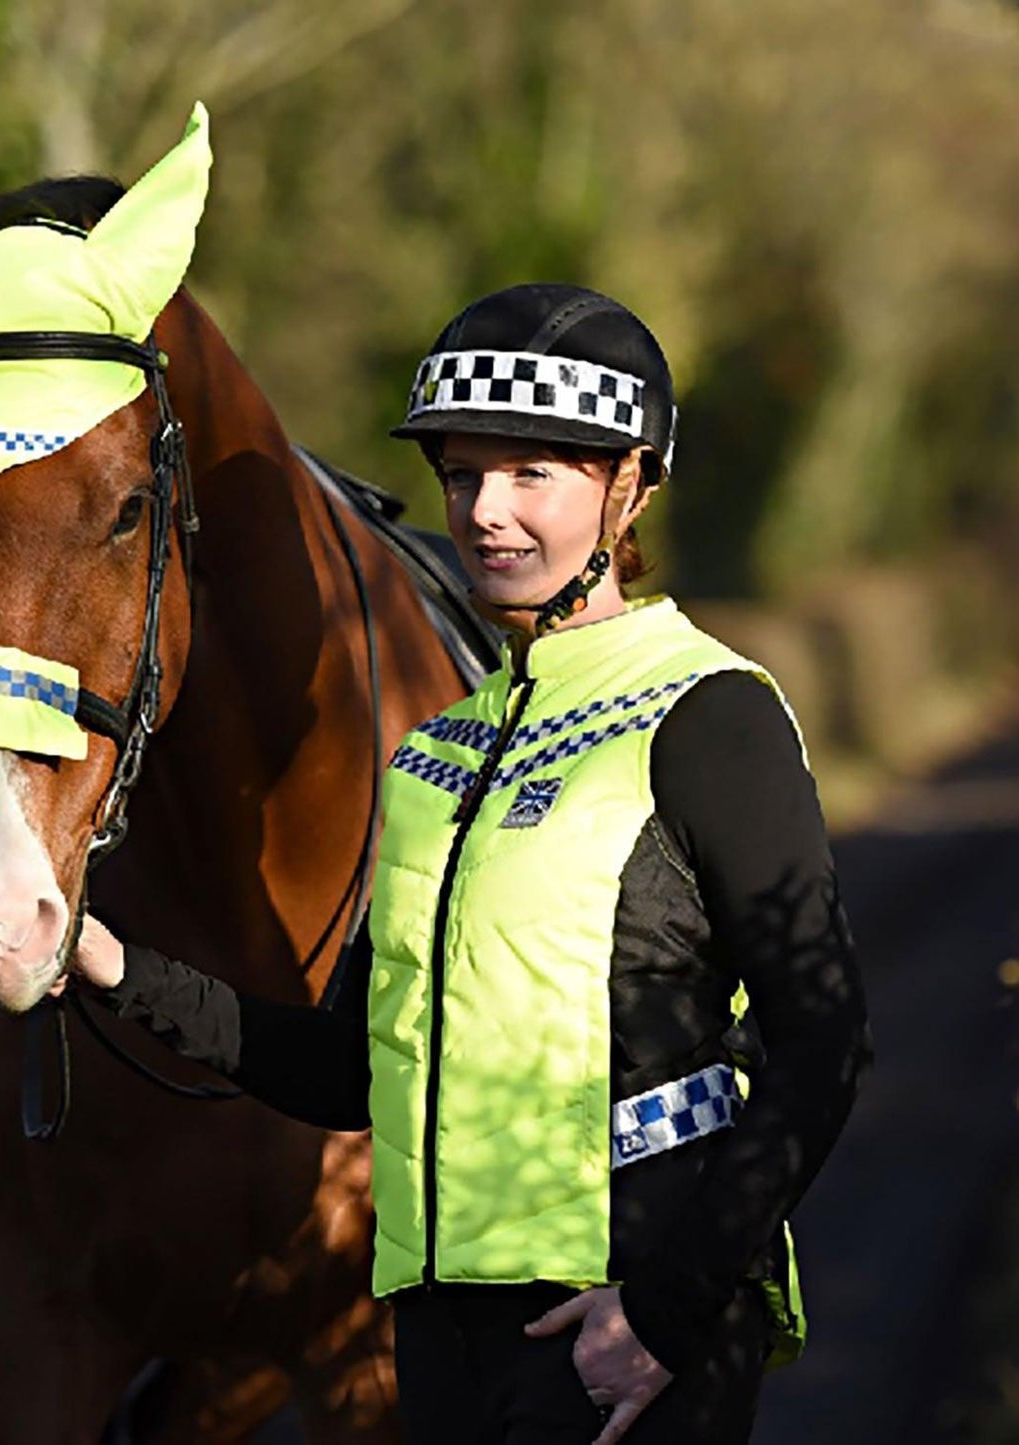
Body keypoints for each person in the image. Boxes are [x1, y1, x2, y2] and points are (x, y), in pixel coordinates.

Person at [71, 284, 871, 1444]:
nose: (485, 511)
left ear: (628, 483)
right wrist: (112, 966)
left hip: (625, 1318)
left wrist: (663, 1307)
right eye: (460, 475)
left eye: (530, 473)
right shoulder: (436, 754)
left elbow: (822, 1037)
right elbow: (350, 1067)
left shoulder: (709, 714)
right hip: (440, 1329)